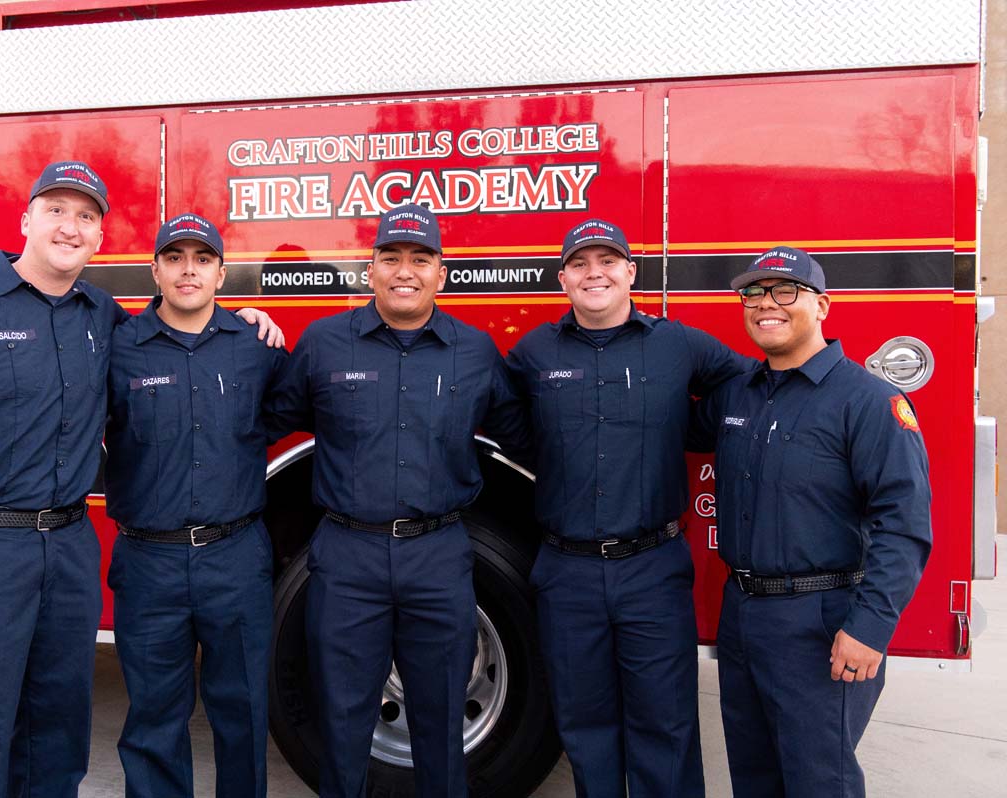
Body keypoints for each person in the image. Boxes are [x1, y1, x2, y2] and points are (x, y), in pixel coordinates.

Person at [0, 162, 281, 798]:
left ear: (99, 237)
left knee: (58, 728)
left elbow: (174, 336)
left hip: (68, 550)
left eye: (86, 216)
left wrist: (240, 320)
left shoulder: (102, 316)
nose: (70, 227)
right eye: (57, 210)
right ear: (26, 220)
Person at [266, 203, 530, 798]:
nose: (404, 271)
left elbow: (530, 438)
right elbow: (263, 418)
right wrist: (240, 330)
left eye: (420, 258)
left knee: (440, 726)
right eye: (391, 257)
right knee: (341, 727)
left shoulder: (475, 351)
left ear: (441, 273)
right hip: (346, 557)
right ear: (371, 270)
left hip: (437, 556)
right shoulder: (324, 344)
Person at [505, 219, 749, 797]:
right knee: (585, 728)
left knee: (666, 726)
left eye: (608, 261)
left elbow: (743, 380)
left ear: (630, 272)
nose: (595, 273)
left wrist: (690, 428)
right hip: (567, 572)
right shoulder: (534, 351)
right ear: (563, 278)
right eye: (580, 263)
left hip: (652, 569)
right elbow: (502, 413)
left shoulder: (676, 343)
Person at [689, 246, 932, 797]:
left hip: (820, 621)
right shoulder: (738, 394)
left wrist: (869, 628)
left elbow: (904, 525)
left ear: (821, 305)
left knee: (819, 782)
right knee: (754, 777)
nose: (765, 304)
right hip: (742, 614)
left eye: (785, 291)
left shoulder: (868, 401)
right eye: (754, 293)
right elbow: (661, 425)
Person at [104, 213, 287, 798]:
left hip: (236, 559)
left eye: (202, 259)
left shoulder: (256, 346)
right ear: (155, 270)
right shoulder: (118, 349)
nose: (189, 270)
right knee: (154, 720)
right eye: (175, 258)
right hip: (149, 564)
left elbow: (288, 414)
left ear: (221, 274)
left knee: (243, 715)